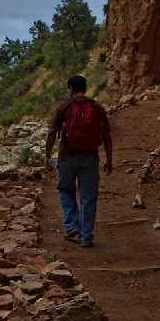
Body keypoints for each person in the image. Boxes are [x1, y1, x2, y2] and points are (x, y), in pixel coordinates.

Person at [44, 75, 113, 248]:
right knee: (88, 198)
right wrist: (109, 160)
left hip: (67, 156)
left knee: (65, 190)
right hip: (90, 157)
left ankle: (72, 226)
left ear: (70, 89)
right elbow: (106, 136)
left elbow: (52, 132)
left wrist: (47, 156)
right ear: (85, 88)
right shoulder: (97, 107)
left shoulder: (64, 107)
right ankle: (86, 237)